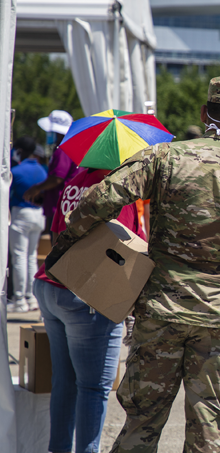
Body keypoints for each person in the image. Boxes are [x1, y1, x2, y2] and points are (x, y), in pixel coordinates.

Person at [46, 76, 220, 453]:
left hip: (159, 316)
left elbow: (99, 199)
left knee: (140, 427)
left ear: (204, 114)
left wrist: (65, 246)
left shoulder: (165, 157)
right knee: (208, 437)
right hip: (219, 325)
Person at [34, 167, 142, 453]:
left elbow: (57, 235)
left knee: (65, 382)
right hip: (87, 295)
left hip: (51, 284)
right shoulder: (119, 190)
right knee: (93, 388)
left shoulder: (73, 182)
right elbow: (127, 247)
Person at [24, 110, 84, 232]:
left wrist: (37, 188)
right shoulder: (74, 147)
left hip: (60, 207)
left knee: (57, 245)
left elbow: (57, 178)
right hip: (69, 204)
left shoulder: (63, 149)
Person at [8, 137, 47, 312]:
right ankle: (32, 298)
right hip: (38, 215)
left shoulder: (15, 171)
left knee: (19, 257)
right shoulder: (43, 171)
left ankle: (19, 299)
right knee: (32, 257)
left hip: (21, 214)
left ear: (20, 151)